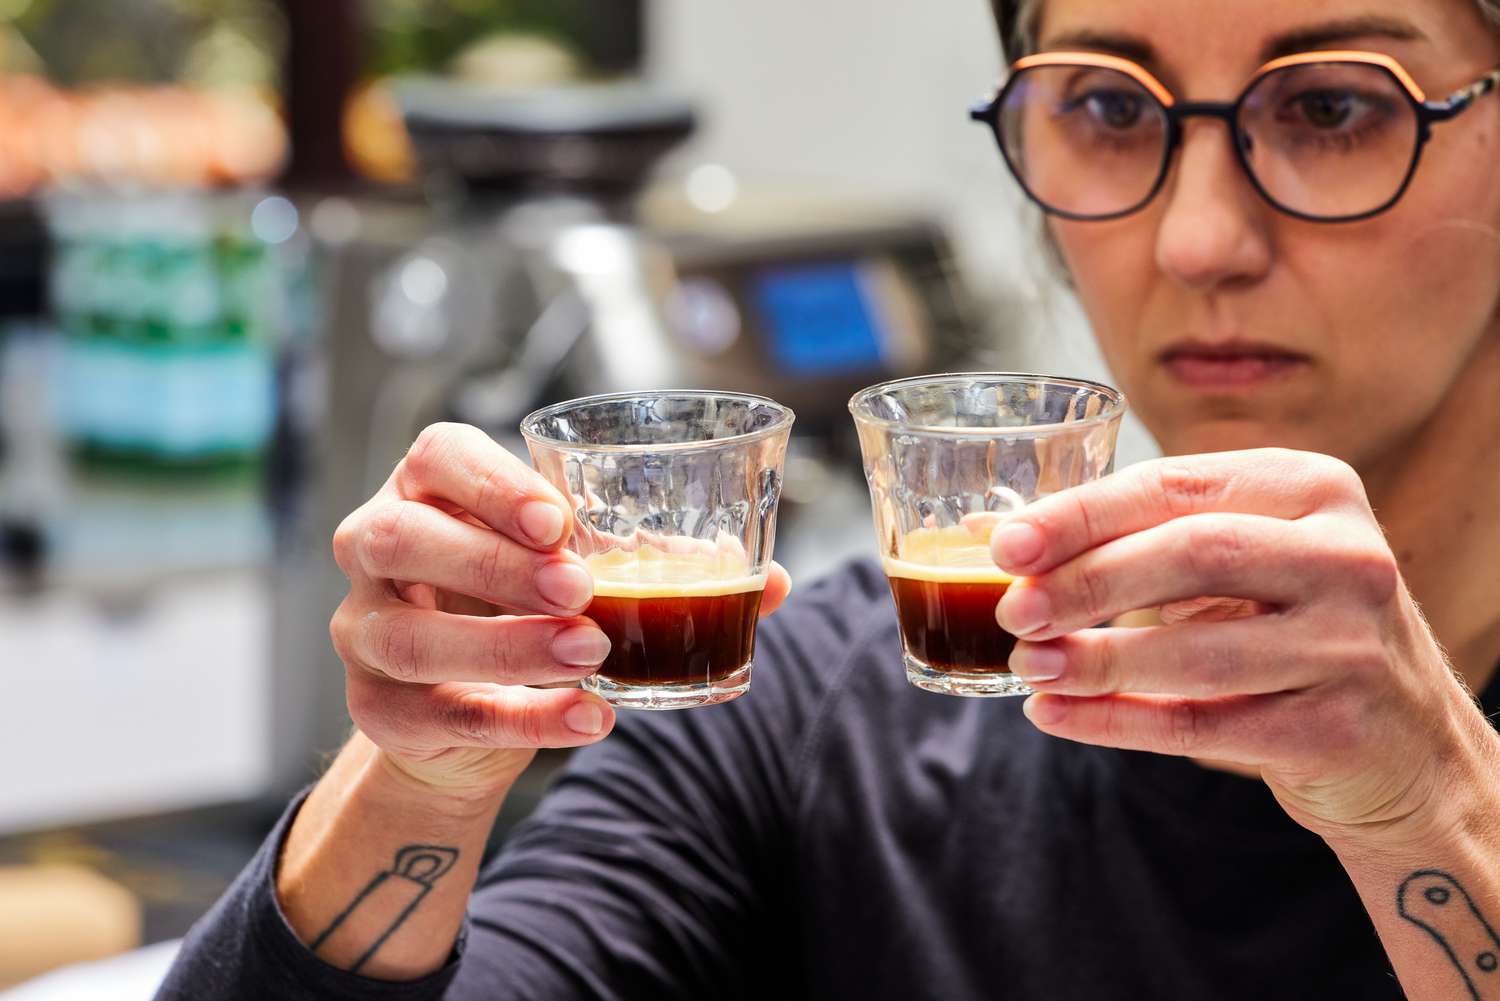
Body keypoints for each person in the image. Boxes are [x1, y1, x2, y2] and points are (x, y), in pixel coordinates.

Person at [155, 0, 1500, 997]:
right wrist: (418, 773)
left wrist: (1430, 804)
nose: (1201, 238)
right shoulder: (818, 717)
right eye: (1108, 108)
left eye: (1333, 107)